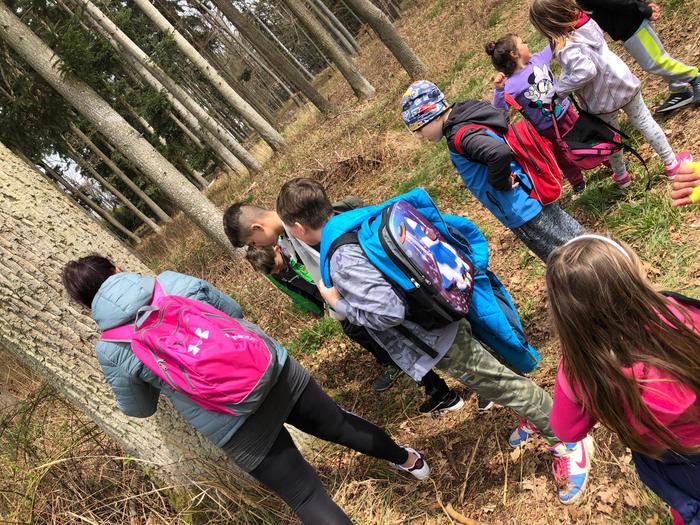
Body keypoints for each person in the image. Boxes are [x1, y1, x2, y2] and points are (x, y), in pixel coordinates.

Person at [276, 177, 595, 505]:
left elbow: (387, 311)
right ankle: (538, 415)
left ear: (297, 227)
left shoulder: (340, 257)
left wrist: (340, 305)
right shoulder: (355, 219)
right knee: (495, 378)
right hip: (444, 307)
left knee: (501, 384)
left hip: (435, 335)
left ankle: (568, 438)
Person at [61, 255, 429, 525]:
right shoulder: (170, 281)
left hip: (232, 422)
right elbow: (233, 310)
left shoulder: (111, 348)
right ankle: (408, 460)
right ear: (116, 269)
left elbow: (140, 409)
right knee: (339, 426)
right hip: (272, 370)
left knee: (305, 496)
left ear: (86, 304)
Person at [224, 203, 471, 414]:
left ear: (257, 228)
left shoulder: (301, 231)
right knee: (416, 342)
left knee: (424, 340)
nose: (256, 245)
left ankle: (457, 389)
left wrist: (340, 304)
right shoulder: (291, 233)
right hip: (358, 304)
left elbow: (340, 264)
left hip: (364, 302)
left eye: (252, 241)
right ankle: (447, 389)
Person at [545, 235, 700, 524]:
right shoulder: (681, 315)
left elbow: (566, 429)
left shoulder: (580, 371)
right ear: (632, 276)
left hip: (672, 463)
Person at [401, 80, 584, 262]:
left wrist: (501, 182)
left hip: (518, 206)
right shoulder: (467, 114)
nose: (420, 135)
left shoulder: (460, 137)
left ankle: (590, 274)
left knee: (562, 257)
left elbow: (498, 152)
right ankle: (597, 254)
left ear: (433, 114)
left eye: (419, 128)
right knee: (572, 237)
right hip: (528, 191)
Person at [529, 0, 692, 188]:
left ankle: (622, 176)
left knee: (610, 137)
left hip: (600, 99)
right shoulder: (588, 22)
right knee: (644, 121)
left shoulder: (565, 46)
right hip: (622, 82)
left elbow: (585, 71)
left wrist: (560, 91)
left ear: (547, 25)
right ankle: (671, 163)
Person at [487, 34, 586, 192]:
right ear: (515, 54)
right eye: (523, 42)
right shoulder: (510, 85)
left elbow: (554, 44)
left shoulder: (538, 59)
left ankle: (605, 158)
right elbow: (499, 111)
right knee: (561, 155)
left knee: (584, 137)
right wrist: (499, 90)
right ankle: (576, 180)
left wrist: (552, 30)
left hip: (566, 112)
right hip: (546, 128)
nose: (527, 44)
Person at [576, 0, 699, 114]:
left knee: (655, 62)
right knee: (657, 59)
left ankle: (694, 77)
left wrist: (644, 9)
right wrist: (644, 6)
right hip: (628, 26)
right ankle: (679, 90)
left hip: (632, 24)